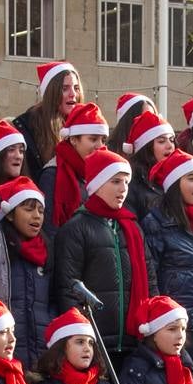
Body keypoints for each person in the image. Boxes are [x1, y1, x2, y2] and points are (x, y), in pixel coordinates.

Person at [52, 149, 158, 362]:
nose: (123, 189)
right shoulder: (76, 228)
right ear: (97, 184)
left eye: (126, 183)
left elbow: (150, 280)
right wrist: (83, 338)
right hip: (95, 344)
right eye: (116, 182)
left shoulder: (132, 227)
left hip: (132, 342)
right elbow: (68, 289)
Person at [141, 150, 193, 366]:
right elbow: (150, 274)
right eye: (191, 178)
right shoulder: (156, 222)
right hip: (173, 324)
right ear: (174, 184)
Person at [0, 177, 55, 367]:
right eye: (28, 209)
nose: (37, 216)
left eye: (41, 210)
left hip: (42, 352)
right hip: (11, 350)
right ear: (10, 214)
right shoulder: (0, 252)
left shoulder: (47, 252)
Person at [42, 102, 110, 228]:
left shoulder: (102, 174)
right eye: (93, 139)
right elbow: (50, 228)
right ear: (73, 139)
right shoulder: (53, 174)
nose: (100, 146)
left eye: (103, 140)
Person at [13, 61, 82, 180]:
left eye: (76, 88)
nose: (73, 94)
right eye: (65, 88)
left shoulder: (83, 126)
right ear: (51, 93)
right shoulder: (27, 127)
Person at [122, 110, 177, 218]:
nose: (170, 146)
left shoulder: (177, 176)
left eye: (171, 140)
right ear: (146, 148)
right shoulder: (131, 183)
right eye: (161, 141)